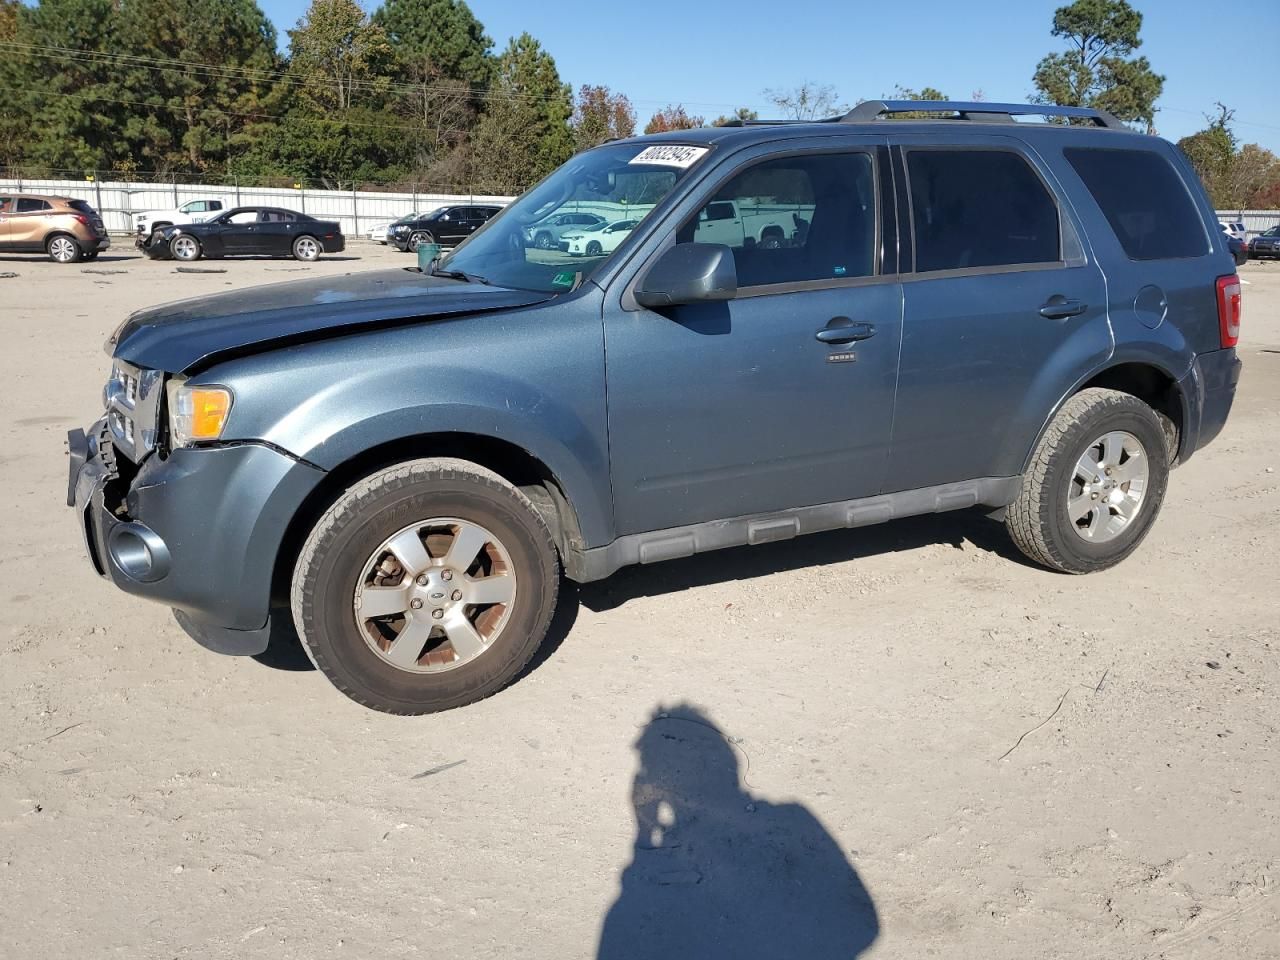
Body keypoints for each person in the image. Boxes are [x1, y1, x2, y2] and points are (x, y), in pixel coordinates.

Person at [598, 704, 878, 959]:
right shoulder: (793, 817)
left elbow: (864, 927)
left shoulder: (790, 818)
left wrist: (643, 833)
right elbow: (864, 929)